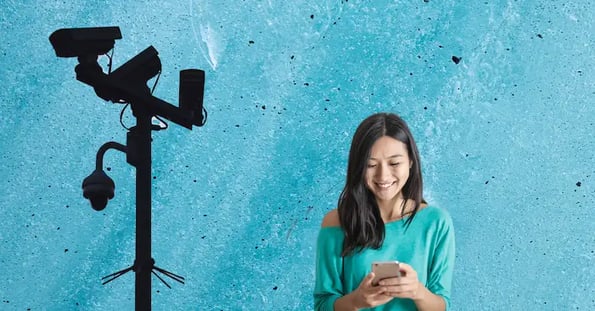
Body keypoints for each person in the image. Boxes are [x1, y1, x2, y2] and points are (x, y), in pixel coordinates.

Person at [314, 113, 455, 311]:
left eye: (394, 163)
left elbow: (442, 305)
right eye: (371, 165)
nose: (383, 175)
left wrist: (417, 291)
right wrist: (356, 300)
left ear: (411, 162)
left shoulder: (436, 223)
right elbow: (322, 304)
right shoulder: (336, 222)